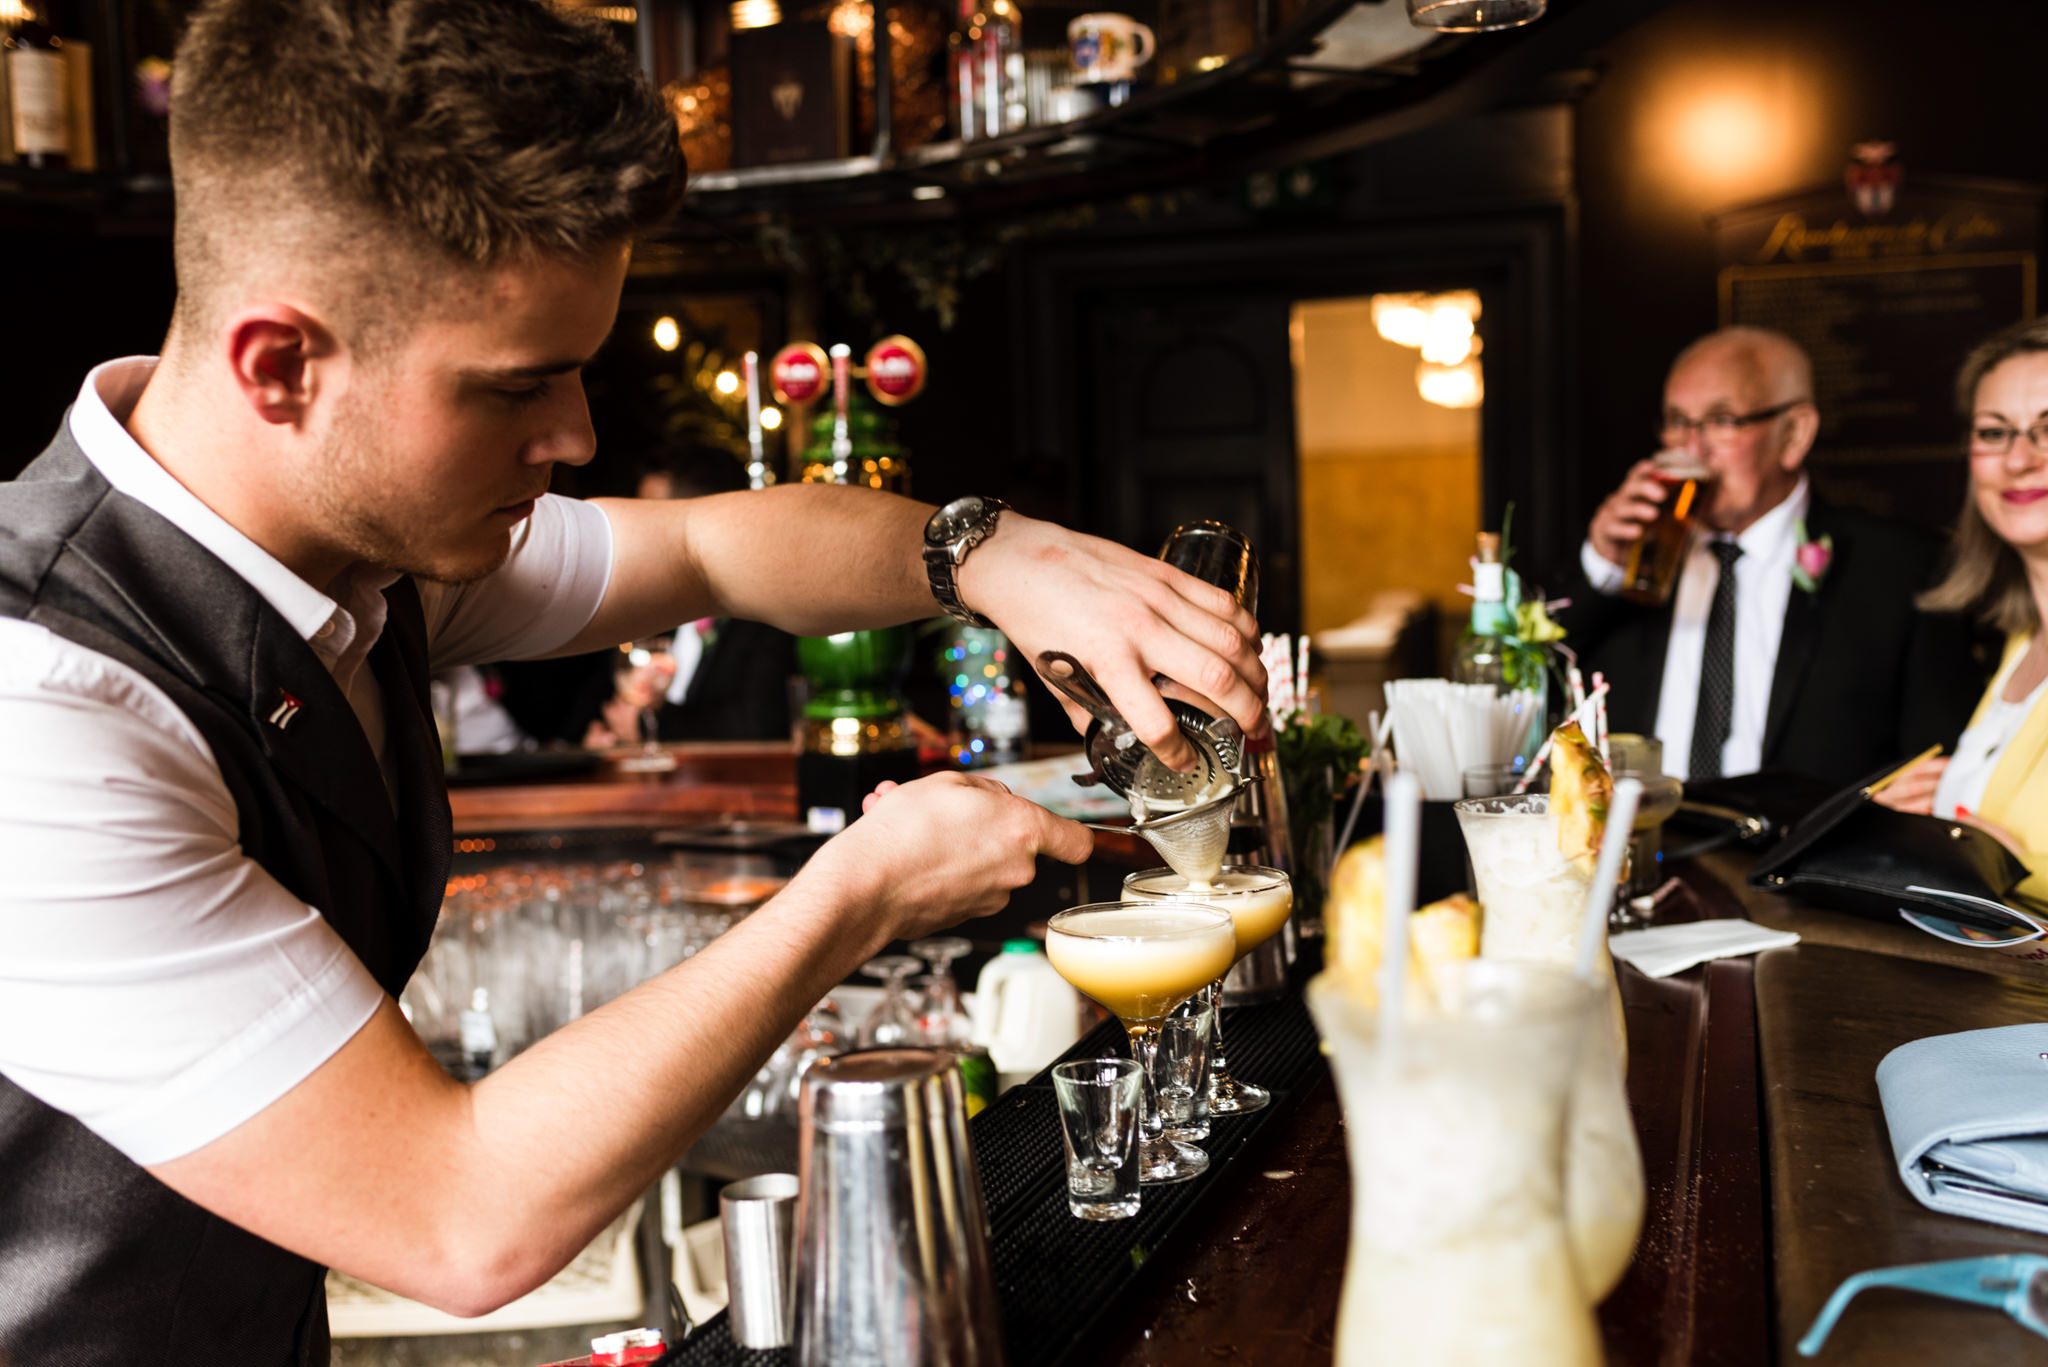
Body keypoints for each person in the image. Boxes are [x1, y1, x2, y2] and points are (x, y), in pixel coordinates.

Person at [0, 3, 1267, 1360]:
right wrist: (860, 888)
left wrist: (994, 552)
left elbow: (719, 540)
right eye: (517, 386)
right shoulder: (44, 707)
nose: (579, 434)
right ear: (282, 363)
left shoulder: (346, 544)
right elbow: (460, 1213)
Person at [1554, 325, 1980, 785]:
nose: (1690, 449)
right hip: (1642, 847)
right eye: (1677, 422)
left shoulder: (1903, 567)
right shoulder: (1637, 560)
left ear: (1794, 433)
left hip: (1816, 855)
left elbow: (1937, 766)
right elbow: (1535, 684)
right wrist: (1601, 566)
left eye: (1721, 421)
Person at [1871, 319, 2048, 899]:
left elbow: (2006, 848)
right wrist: (1931, 806)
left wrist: (1996, 857)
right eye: (1995, 433)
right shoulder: (2021, 640)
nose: (2020, 459)